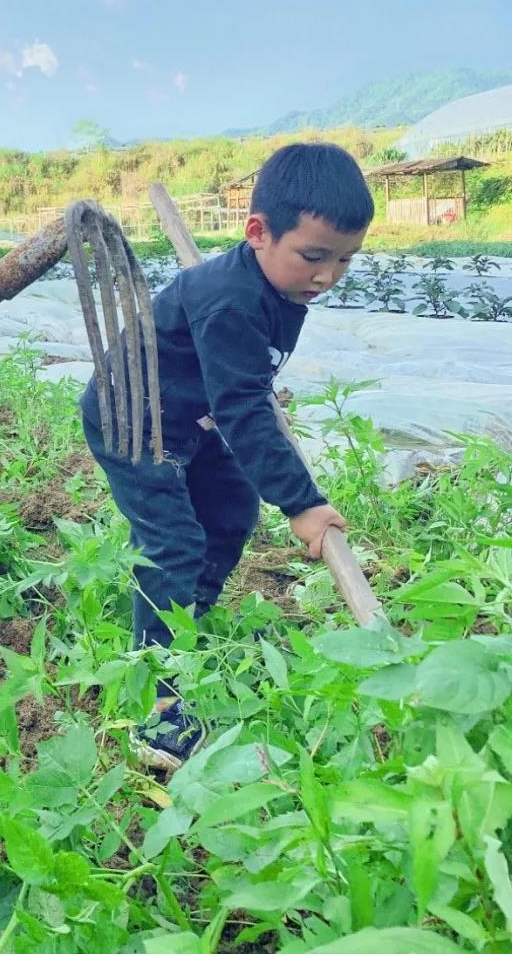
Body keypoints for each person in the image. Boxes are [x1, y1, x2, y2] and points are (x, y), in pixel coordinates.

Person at [80, 143, 373, 771]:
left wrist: (252, 392)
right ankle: (155, 698)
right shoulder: (231, 300)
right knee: (175, 545)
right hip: (135, 417)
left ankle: (184, 619)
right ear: (258, 233)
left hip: (194, 414)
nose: (327, 277)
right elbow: (243, 409)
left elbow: (243, 389)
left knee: (233, 510)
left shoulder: (275, 282)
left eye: (345, 260)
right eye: (314, 257)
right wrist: (305, 504)